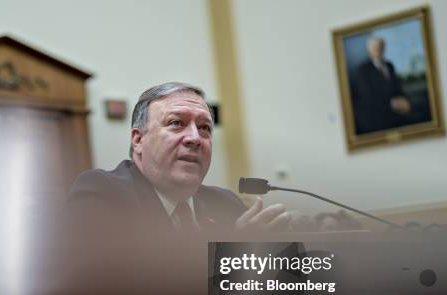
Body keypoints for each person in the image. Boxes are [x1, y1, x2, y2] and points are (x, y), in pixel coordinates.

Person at [66, 82, 289, 237]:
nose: (194, 138)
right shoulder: (102, 193)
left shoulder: (225, 204)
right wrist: (233, 255)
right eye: (176, 123)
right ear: (138, 139)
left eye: (204, 128)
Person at [352, 36, 412, 134]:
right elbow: (368, 96)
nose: (378, 50)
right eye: (375, 48)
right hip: (374, 120)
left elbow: (397, 88)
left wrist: (405, 100)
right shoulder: (362, 70)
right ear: (369, 50)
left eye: (381, 47)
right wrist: (392, 103)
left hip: (395, 116)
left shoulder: (389, 65)